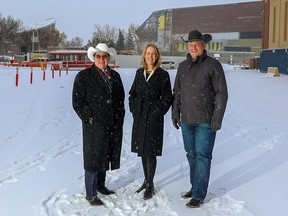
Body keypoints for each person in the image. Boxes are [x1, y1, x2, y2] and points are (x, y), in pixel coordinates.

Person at [172, 30, 228, 208]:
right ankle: (195, 186)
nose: (193, 47)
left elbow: (222, 93)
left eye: (196, 44)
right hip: (187, 119)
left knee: (203, 156)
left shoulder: (213, 65)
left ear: (203, 46)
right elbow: (177, 92)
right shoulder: (182, 67)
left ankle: (198, 194)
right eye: (190, 44)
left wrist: (217, 116)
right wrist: (175, 112)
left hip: (205, 120)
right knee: (191, 155)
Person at [72, 43, 125, 206]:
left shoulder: (115, 76)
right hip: (94, 125)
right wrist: (89, 118)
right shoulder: (84, 76)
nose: (102, 59)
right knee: (93, 157)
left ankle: (101, 185)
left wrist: (119, 116)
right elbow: (77, 101)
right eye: (98, 56)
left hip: (112, 122)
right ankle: (90, 192)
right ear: (93, 58)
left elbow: (120, 99)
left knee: (106, 154)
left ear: (108, 58)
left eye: (104, 56)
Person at [129, 43, 173, 200]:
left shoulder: (163, 75)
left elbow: (168, 97)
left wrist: (158, 111)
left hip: (154, 118)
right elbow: (132, 94)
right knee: (142, 150)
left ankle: (150, 184)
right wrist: (135, 110)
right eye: (148, 53)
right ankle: (146, 180)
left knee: (150, 151)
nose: (150, 56)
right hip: (140, 117)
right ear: (144, 55)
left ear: (157, 56)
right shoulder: (139, 73)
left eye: (153, 53)